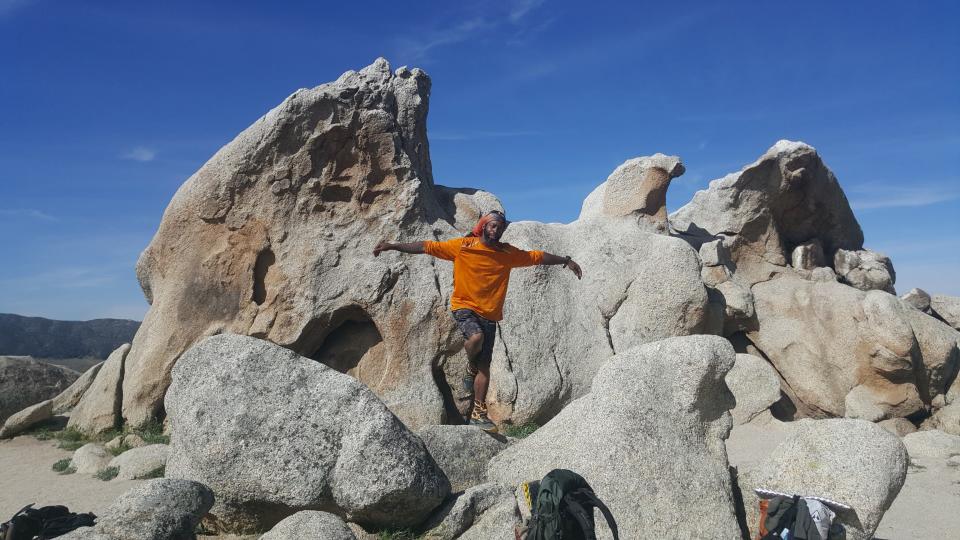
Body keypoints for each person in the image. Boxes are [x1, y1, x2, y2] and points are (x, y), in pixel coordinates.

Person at [373, 210, 582, 431]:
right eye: (493, 226)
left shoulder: (507, 253)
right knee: (476, 336)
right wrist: (393, 245)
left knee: (485, 368)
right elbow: (426, 247)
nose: (497, 230)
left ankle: (478, 412)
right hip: (464, 307)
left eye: (500, 227)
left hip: (490, 315)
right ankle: (470, 365)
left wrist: (565, 261)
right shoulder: (464, 246)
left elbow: (537, 256)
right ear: (483, 226)